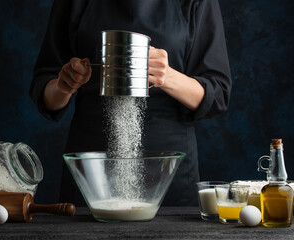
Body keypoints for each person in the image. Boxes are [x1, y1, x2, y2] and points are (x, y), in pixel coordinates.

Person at [30, 0, 231, 206]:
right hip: (92, 169)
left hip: (169, 168)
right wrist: (63, 86)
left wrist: (168, 77)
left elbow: (217, 95)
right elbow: (45, 93)